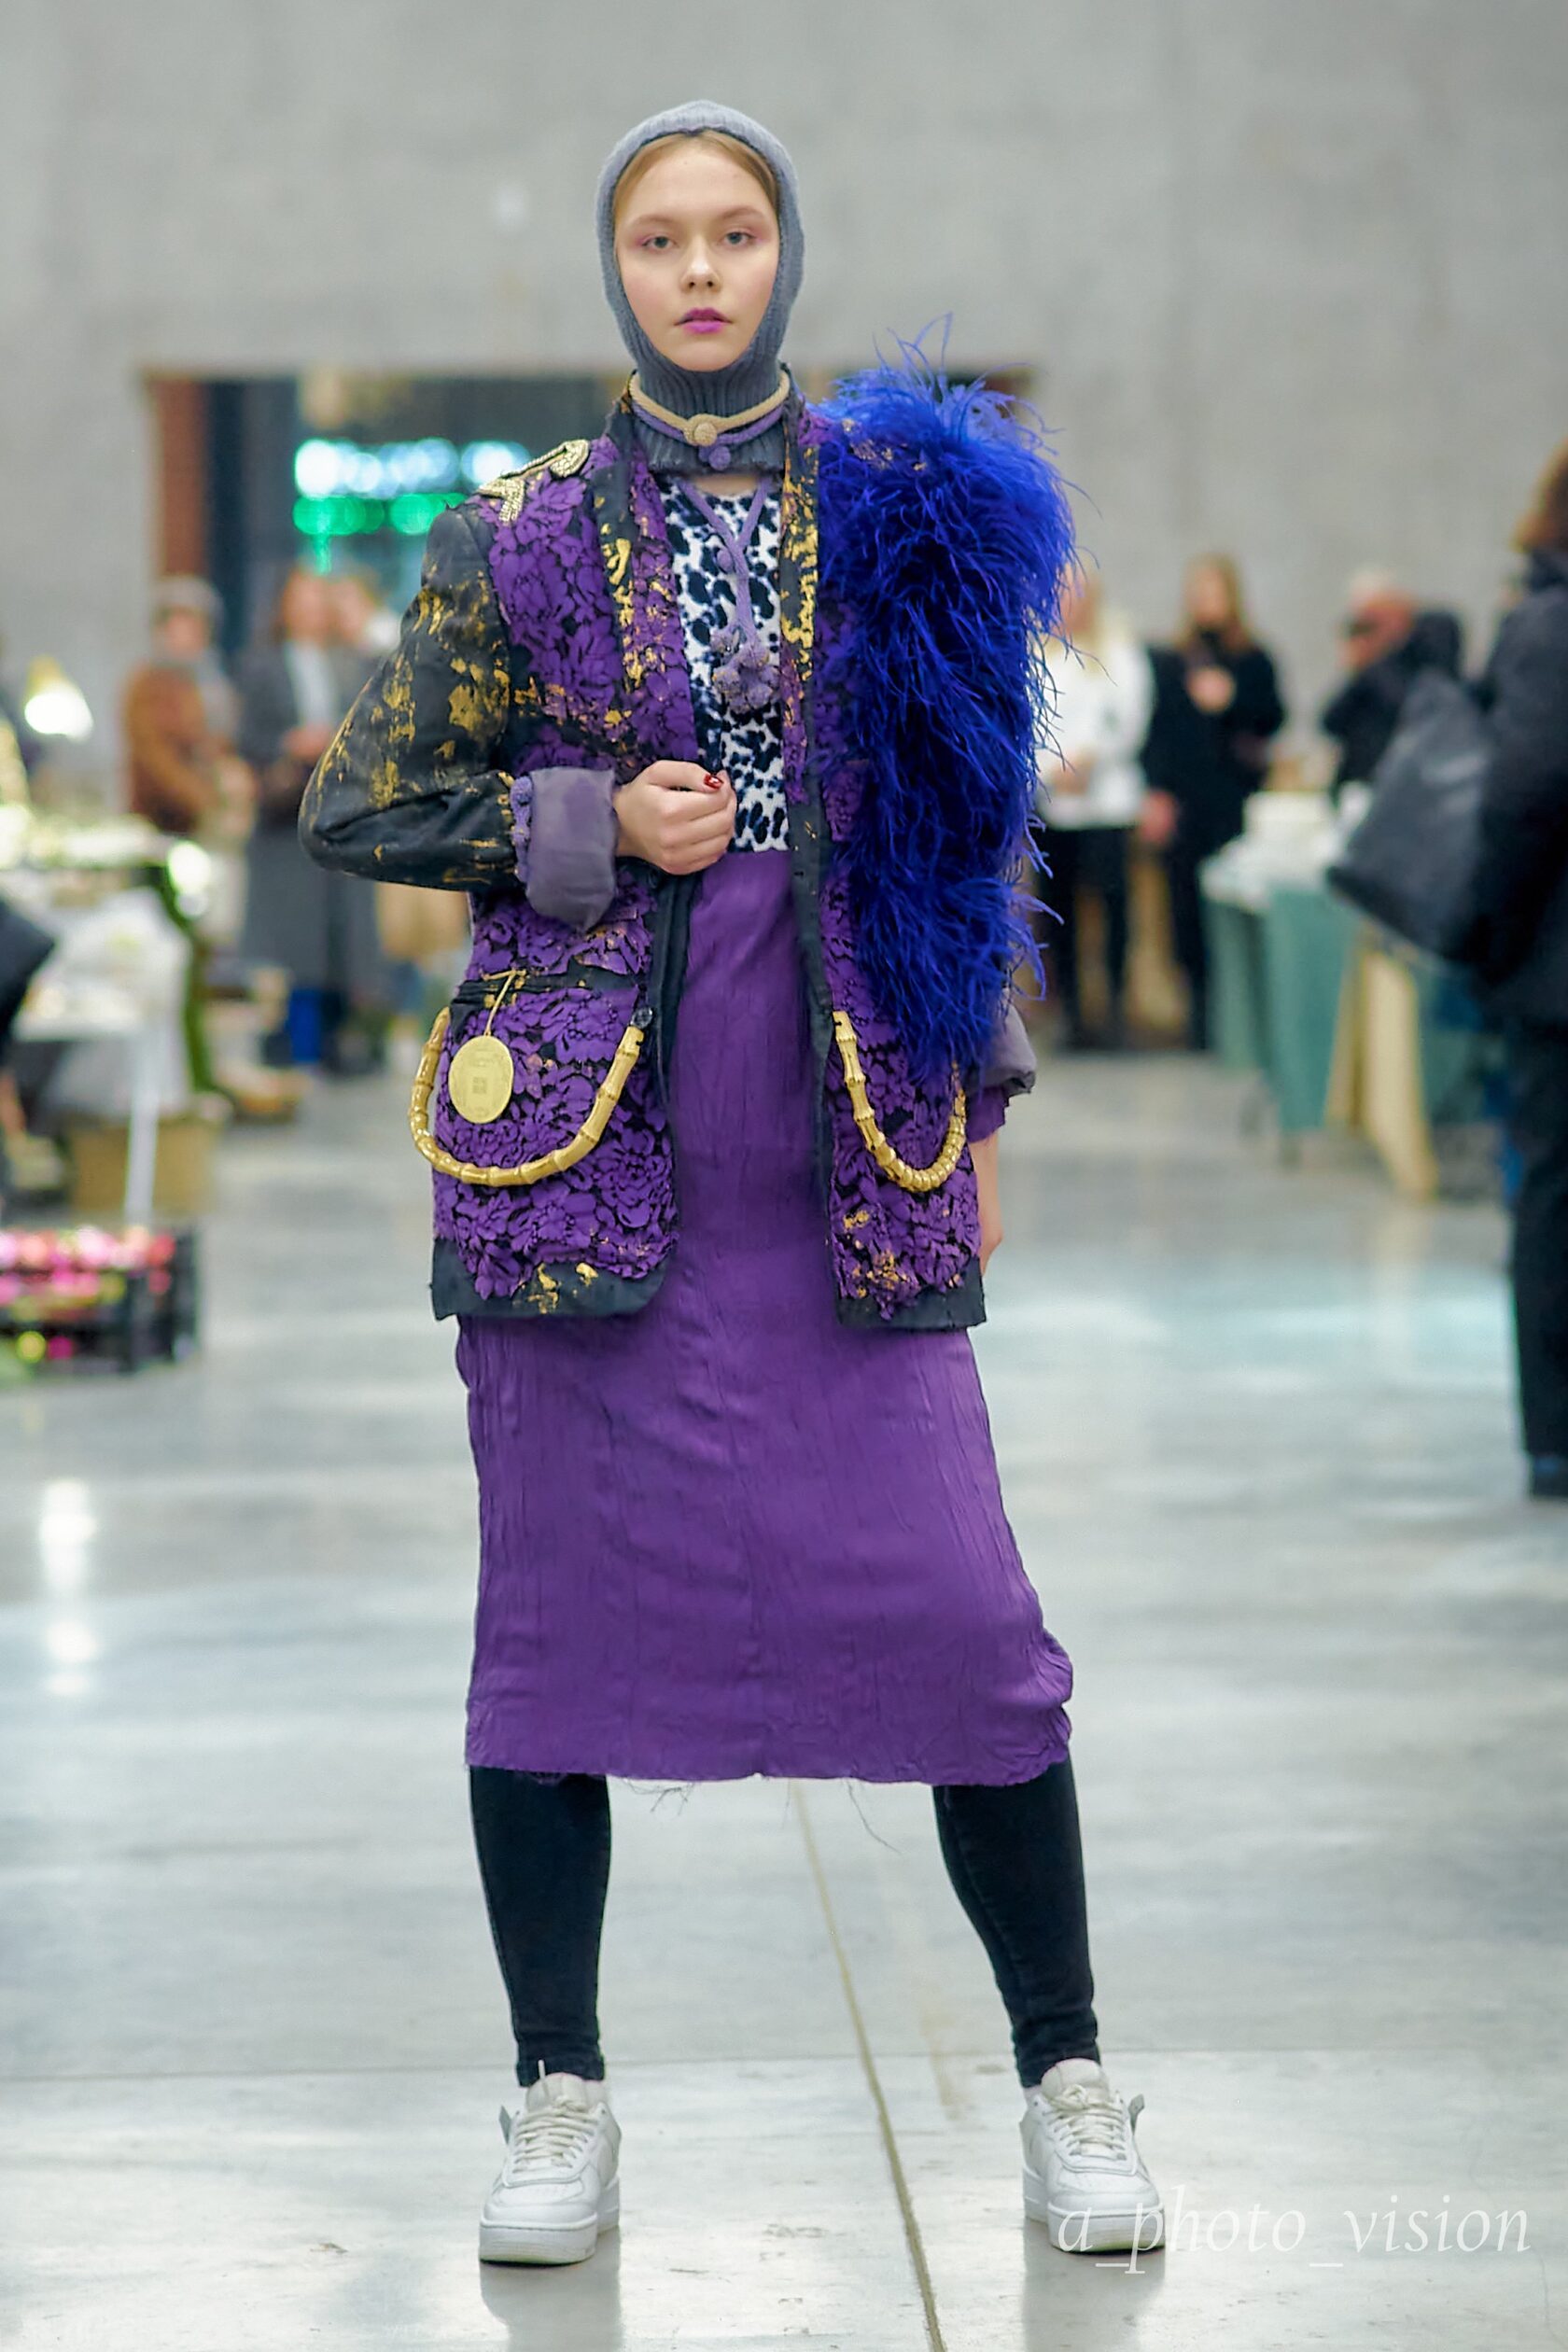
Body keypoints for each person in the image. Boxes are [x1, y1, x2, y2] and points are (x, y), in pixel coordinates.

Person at [301, 104, 1165, 2269]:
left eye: (738, 234)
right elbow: (363, 801)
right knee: (550, 1641)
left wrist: (982, 1102)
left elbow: (970, 830)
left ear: (788, 254)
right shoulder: (512, 537)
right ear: (617, 271)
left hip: (848, 1114)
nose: (701, 272)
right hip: (589, 1140)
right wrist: (586, 824)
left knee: (970, 1628)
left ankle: (1067, 2077)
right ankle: (558, 2095)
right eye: (661, 239)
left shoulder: (903, 510)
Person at [1461, 443, 1568, 1502]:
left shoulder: (1545, 627)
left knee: (1551, 1196)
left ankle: (1556, 1437)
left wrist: (1485, 934)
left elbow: (1521, 799)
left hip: (1553, 974)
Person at [239, 567, 387, 1071]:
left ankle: (340, 1040)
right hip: (286, 819)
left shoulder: (351, 662)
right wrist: (289, 745)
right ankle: (292, 1044)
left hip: (341, 817)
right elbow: (247, 739)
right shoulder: (262, 668)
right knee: (293, 943)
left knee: (343, 941)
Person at [1141, 555, 1286, 1047]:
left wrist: (1232, 699)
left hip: (1234, 804)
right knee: (1186, 914)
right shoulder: (1172, 662)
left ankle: (1242, 1018)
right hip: (1187, 806)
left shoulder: (1254, 659)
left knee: (1237, 908)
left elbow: (1272, 718)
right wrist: (1157, 792)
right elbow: (1158, 733)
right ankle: (1200, 1017)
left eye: (1215, 592)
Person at [1038, 574, 1153, 1049]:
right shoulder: (1038, 656)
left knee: (1112, 907)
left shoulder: (1119, 653)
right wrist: (1053, 768)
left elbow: (1128, 719)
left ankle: (1116, 1008)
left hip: (1107, 804)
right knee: (1058, 912)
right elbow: (1027, 725)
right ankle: (1071, 1013)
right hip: (1055, 804)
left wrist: (1091, 759)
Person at [1319, 569, 1463, 795]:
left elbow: (1411, 709)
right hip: (1364, 781)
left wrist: (1377, 662)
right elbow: (1330, 721)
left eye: (1370, 625)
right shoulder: (1369, 674)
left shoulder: (1425, 655)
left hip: (1406, 783)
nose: (1365, 635)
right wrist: (1355, 671)